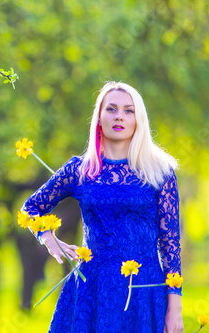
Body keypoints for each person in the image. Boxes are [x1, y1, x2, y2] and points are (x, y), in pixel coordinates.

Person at [21, 81, 183, 333]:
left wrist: (175, 309)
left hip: (143, 292)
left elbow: (170, 243)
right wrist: (47, 237)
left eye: (128, 111)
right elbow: (30, 208)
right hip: (92, 289)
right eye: (112, 109)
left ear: (138, 119)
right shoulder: (79, 170)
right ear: (99, 117)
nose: (119, 116)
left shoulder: (160, 172)